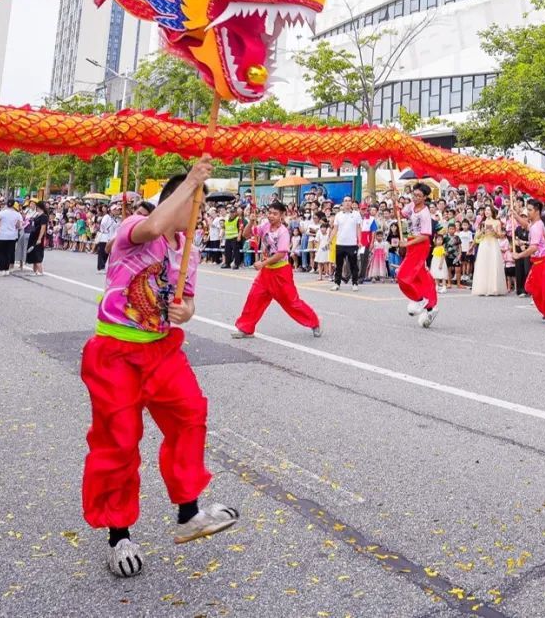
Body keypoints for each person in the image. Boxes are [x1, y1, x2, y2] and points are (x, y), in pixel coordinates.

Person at [81, 157, 239, 579]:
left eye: (201, 208)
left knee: (190, 416)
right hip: (115, 351)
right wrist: (192, 180)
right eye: (195, 205)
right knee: (118, 440)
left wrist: (187, 311)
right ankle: (119, 535)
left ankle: (189, 512)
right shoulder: (135, 228)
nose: (199, 216)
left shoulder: (188, 250)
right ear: (175, 199)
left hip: (162, 350)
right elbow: (153, 227)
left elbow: (188, 300)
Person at [232, 201, 321, 339]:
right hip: (266, 272)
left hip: (281, 272)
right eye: (270, 213)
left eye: (275, 214)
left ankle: (314, 323)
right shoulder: (265, 226)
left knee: (292, 302)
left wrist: (262, 263)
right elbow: (246, 234)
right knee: (254, 298)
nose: (271, 216)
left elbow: (280, 253)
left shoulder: (283, 232)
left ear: (282, 215)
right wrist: (251, 222)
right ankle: (246, 328)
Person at [398, 183, 438, 327]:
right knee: (421, 276)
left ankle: (419, 299)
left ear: (425, 197)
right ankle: (431, 307)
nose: (415, 198)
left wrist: (407, 244)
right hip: (411, 243)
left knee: (403, 276)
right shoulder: (411, 205)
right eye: (414, 195)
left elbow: (425, 236)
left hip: (420, 245)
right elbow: (402, 214)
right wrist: (397, 203)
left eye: (419, 196)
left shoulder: (425, 214)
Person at [471, 206, 507, 296]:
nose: (486, 212)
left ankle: (494, 288)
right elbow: (476, 236)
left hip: (493, 244)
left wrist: (494, 231)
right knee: (483, 264)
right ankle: (482, 288)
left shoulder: (497, 222)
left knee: (493, 264)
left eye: (488, 210)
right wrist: (482, 231)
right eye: (486, 210)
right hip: (484, 244)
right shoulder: (482, 222)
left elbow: (500, 235)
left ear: (492, 211)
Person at [331, 197, 361, 292]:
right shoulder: (338, 215)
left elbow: (358, 228)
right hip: (340, 243)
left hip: (352, 244)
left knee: (353, 265)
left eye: (349, 201)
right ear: (343, 203)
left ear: (351, 203)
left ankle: (355, 283)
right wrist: (329, 239)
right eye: (345, 201)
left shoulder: (356, 214)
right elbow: (335, 229)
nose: (347, 203)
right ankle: (337, 283)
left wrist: (359, 241)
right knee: (339, 265)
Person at [0, 201, 23, 275]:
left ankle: (1, 270)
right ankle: (6, 270)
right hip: (12, 236)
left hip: (2, 235)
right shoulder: (17, 214)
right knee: (8, 253)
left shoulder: (2, 212)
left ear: (7, 205)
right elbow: (19, 226)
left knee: (0, 253)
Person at [27, 200, 49, 275]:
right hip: (33, 235)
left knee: (37, 253)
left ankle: (40, 271)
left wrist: (39, 238)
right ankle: (35, 271)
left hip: (38, 236)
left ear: (39, 207)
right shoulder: (37, 215)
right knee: (33, 253)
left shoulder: (44, 216)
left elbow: (43, 228)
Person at [96, 204, 119, 272]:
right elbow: (102, 224)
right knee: (102, 252)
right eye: (114, 209)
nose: (116, 211)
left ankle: (105, 267)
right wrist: (105, 231)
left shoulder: (115, 219)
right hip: (104, 237)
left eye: (116, 209)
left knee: (107, 253)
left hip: (110, 238)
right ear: (110, 210)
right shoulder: (106, 216)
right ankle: (100, 267)